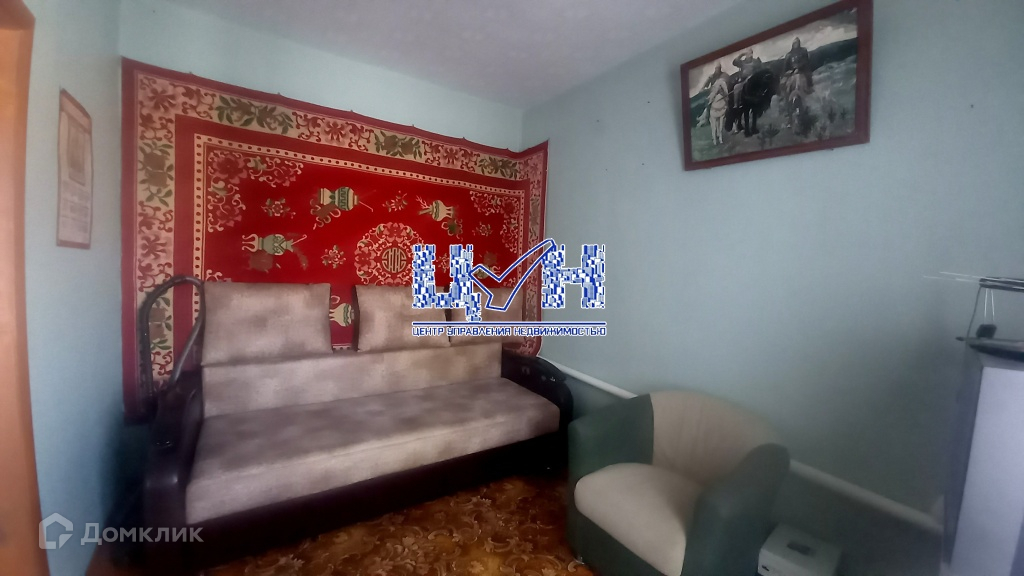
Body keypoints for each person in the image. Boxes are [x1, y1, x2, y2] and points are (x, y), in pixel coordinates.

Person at [730, 48, 762, 132]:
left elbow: (760, 70)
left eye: (750, 53)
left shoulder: (755, 61)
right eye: (747, 53)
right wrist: (741, 54)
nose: (749, 55)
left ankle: (760, 102)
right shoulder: (742, 62)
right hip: (743, 80)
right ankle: (737, 104)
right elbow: (734, 62)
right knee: (736, 87)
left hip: (753, 80)